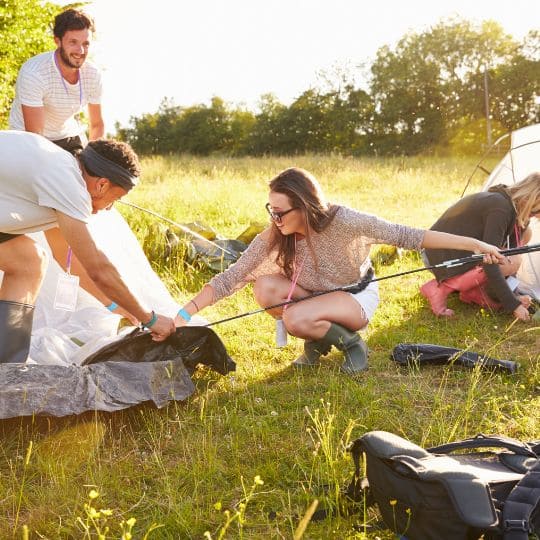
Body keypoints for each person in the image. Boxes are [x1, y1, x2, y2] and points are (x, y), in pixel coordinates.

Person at [173, 167, 506, 375]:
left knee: (295, 319)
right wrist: (182, 315)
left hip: (354, 295)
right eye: (270, 210)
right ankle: (318, 340)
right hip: (316, 294)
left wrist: (475, 244)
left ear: (303, 205)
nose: (274, 219)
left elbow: (410, 235)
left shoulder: (346, 221)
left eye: (279, 212)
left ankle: (352, 345)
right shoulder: (276, 233)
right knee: (264, 288)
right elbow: (231, 276)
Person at [0, 130, 176, 364]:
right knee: (30, 262)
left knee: (31, 262)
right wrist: (149, 318)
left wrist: (115, 305)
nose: (109, 208)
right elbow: (97, 267)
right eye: (115, 199)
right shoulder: (68, 183)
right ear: (102, 185)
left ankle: (6, 364)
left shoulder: (63, 173)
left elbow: (65, 256)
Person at [420, 172, 540, 322]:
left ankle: (473, 291)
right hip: (440, 256)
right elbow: (489, 261)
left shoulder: (518, 213)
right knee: (512, 261)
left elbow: (509, 254)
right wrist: (514, 305)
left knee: (520, 246)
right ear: (529, 198)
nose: (537, 216)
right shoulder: (500, 209)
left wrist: (515, 296)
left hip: (462, 254)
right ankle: (440, 288)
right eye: (537, 211)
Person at [9, 8, 103, 153]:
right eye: (73, 42)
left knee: (87, 172)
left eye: (86, 44)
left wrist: (94, 163)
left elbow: (97, 125)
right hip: (28, 137)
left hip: (67, 135)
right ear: (57, 41)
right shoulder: (34, 72)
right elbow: (36, 136)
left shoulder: (93, 74)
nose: (81, 51)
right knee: (49, 172)